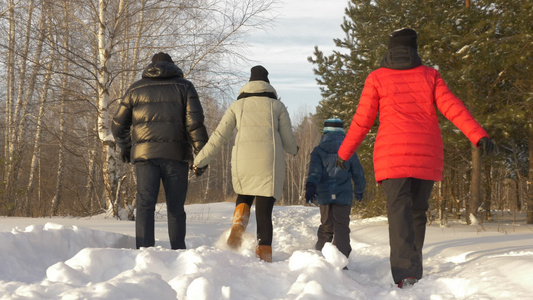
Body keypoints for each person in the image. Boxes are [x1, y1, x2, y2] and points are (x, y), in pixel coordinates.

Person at [336, 28, 497, 288]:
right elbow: (453, 107)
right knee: (417, 212)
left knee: (399, 213)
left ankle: (405, 274)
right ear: (414, 49)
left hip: (392, 157)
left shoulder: (377, 78)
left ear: (390, 49)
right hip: (426, 156)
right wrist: (478, 136)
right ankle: (413, 268)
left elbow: (362, 120)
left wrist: (344, 153)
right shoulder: (430, 75)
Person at [192, 65, 298, 262]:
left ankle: (238, 225)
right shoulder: (277, 106)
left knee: (245, 195)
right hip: (269, 163)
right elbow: (288, 140)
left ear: (249, 83)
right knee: (264, 211)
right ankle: (264, 254)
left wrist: (199, 161)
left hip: (243, 163)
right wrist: (294, 150)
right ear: (267, 83)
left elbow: (218, 137)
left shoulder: (236, 106)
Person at [112, 52, 208, 250]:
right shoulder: (184, 87)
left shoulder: (136, 88)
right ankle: (178, 250)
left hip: (145, 157)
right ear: (173, 66)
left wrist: (126, 147)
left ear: (150, 67)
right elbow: (195, 125)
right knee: (176, 208)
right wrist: (202, 156)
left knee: (146, 205)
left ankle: (145, 251)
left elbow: (117, 125)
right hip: (176, 155)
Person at [305, 117, 366, 267]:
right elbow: (358, 173)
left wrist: (311, 186)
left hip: (325, 195)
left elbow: (314, 171)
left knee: (326, 226)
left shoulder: (318, 151)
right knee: (342, 227)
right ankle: (341, 262)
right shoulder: (349, 150)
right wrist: (359, 190)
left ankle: (321, 260)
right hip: (343, 196)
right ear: (342, 131)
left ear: (325, 132)